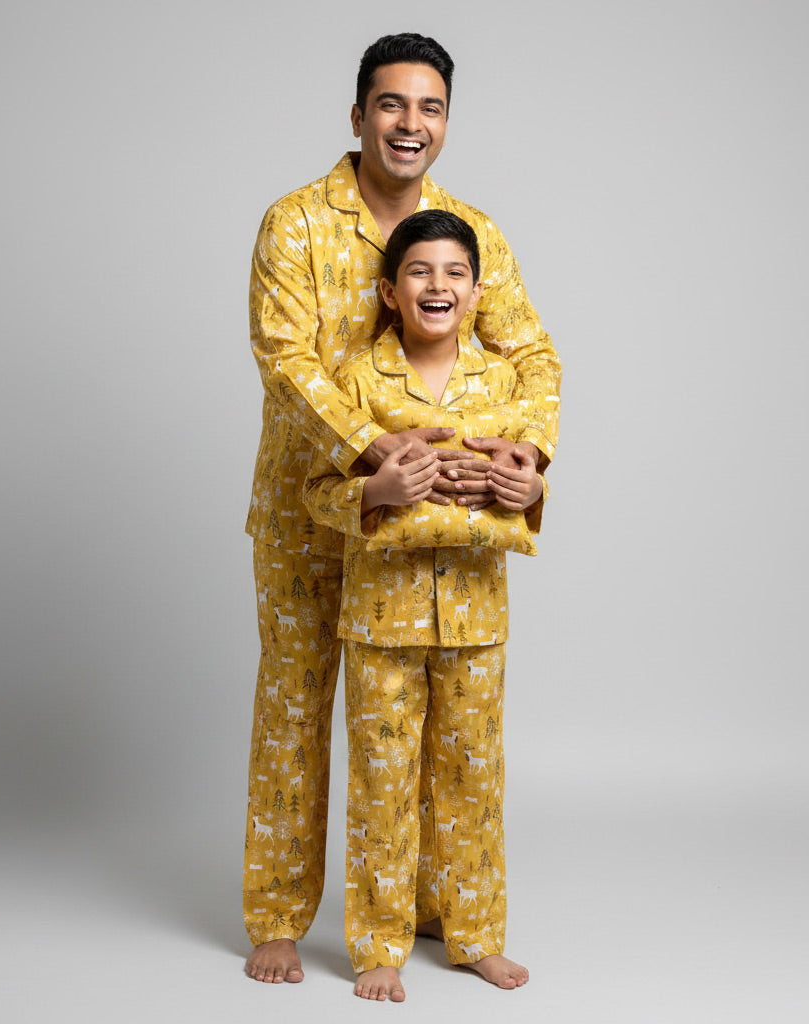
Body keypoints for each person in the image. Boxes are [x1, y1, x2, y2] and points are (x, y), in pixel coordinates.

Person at [243, 32, 561, 985]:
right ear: (358, 116)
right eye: (391, 105)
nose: (409, 124)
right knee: (298, 707)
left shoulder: (472, 233)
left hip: (438, 532)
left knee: (436, 723)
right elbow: (285, 360)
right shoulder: (294, 223)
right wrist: (379, 452)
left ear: (447, 123)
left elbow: (532, 355)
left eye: (428, 108)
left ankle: (435, 910)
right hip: (311, 510)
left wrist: (527, 454)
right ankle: (276, 916)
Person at [304, 210, 543, 1001]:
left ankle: (475, 936)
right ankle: (379, 943)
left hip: (476, 619)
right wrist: (373, 490)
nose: (436, 285)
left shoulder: (504, 385)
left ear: (477, 293)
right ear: (388, 289)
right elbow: (317, 495)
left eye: (453, 274)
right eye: (418, 272)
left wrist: (530, 490)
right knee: (383, 778)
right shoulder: (356, 385)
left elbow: (523, 484)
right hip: (381, 619)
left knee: (474, 777)